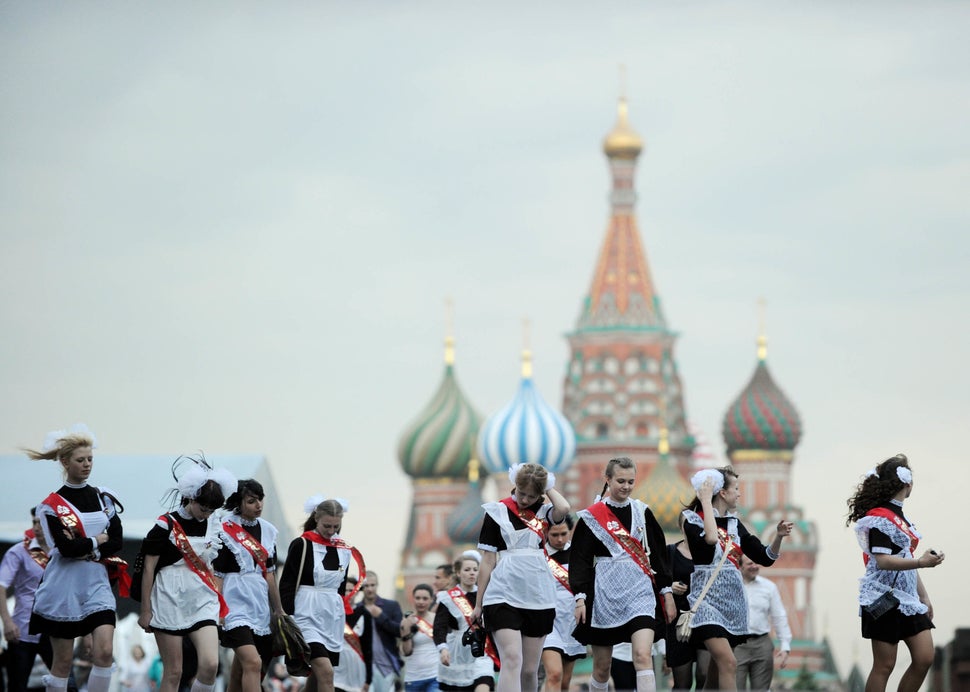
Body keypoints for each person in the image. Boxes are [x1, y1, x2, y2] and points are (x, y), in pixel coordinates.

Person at [25, 424, 123, 692]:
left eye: (90, 459)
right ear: (65, 462)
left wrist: (88, 546)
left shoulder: (103, 497)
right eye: (81, 460)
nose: (87, 465)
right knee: (63, 661)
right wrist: (96, 540)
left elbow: (117, 540)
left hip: (96, 580)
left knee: (104, 652)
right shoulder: (51, 505)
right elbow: (66, 549)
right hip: (64, 585)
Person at [681, 467, 793, 692]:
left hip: (732, 606)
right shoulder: (692, 519)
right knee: (730, 662)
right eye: (736, 489)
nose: (739, 494)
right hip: (706, 604)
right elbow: (711, 539)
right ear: (721, 492)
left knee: (714, 677)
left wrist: (778, 537)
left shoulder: (734, 524)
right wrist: (705, 500)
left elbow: (765, 557)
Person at [570, 457, 675, 692]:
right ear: (607, 479)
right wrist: (580, 598)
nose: (626, 487)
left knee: (642, 655)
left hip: (639, 592)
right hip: (605, 595)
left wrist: (666, 592)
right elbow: (581, 561)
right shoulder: (591, 517)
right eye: (620, 481)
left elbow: (658, 554)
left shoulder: (642, 511)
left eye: (630, 481)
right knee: (601, 666)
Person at [845, 454, 944, 692]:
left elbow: (904, 558)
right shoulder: (880, 518)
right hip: (881, 597)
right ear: (907, 483)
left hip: (907, 597)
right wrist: (921, 562)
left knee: (924, 657)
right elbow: (883, 561)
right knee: (884, 665)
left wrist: (923, 595)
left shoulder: (900, 517)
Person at [137, 456, 237, 692]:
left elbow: (212, 566)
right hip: (168, 597)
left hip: (202, 598)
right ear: (191, 497)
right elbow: (148, 568)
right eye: (203, 507)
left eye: (212, 509)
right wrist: (145, 610)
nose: (206, 513)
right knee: (174, 672)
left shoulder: (214, 524)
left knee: (211, 664)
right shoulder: (166, 525)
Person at [473, 463, 569, 692]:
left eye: (531, 495)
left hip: (538, 593)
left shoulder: (544, 512)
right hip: (503, 593)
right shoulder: (496, 511)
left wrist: (547, 487)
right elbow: (488, 560)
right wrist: (478, 603)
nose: (525, 499)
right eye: (521, 492)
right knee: (512, 659)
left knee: (529, 670)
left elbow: (564, 508)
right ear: (514, 485)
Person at [279, 497, 365, 692]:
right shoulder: (302, 544)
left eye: (336, 526)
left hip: (331, 617)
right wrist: (288, 617)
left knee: (318, 677)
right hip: (305, 613)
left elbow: (341, 587)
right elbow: (287, 584)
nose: (331, 531)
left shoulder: (343, 549)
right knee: (326, 672)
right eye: (327, 525)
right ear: (316, 518)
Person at [213, 479, 283, 692]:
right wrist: (219, 608)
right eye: (251, 501)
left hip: (259, 604)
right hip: (234, 603)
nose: (258, 505)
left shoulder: (269, 531)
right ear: (239, 502)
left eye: (260, 499)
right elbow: (218, 575)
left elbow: (270, 575)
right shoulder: (225, 529)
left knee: (239, 672)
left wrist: (279, 609)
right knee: (253, 663)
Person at [0, 509, 52, 692]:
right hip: (22, 630)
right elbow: (1, 585)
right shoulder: (20, 551)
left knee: (67, 684)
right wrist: (7, 622)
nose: (36, 527)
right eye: (34, 522)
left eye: (41, 523)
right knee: (17, 686)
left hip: (55, 629)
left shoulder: (62, 554)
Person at [433, 552, 493, 692]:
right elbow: (439, 627)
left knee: (484, 684)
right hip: (459, 652)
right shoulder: (448, 598)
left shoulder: (487, 594)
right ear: (458, 573)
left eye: (475, 570)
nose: (471, 573)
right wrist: (443, 649)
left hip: (482, 651)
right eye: (467, 570)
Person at [540, 517, 585, 692]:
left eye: (564, 534)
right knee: (554, 674)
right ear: (546, 533)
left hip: (571, 619)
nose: (560, 539)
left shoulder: (578, 553)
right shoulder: (539, 555)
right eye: (554, 535)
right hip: (547, 620)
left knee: (565, 683)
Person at [734, 556, 791, 691]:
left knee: (762, 690)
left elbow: (779, 616)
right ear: (740, 566)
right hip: (737, 645)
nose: (755, 566)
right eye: (750, 563)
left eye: (756, 562)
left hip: (762, 644)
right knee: (735, 687)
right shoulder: (731, 585)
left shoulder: (769, 587)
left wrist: (785, 645)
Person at [665, 515, 708, 692]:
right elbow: (656, 582)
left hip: (705, 619)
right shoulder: (670, 552)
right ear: (680, 526)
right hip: (679, 624)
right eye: (687, 524)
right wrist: (670, 587)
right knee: (682, 683)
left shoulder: (710, 553)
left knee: (704, 675)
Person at [353, 572, 402, 692]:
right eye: (366, 586)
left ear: (377, 585)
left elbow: (400, 631)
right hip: (363, 666)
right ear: (361, 588)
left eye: (373, 585)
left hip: (386, 666)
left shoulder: (391, 606)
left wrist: (381, 616)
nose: (370, 589)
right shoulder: (356, 609)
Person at [399, 584, 438, 692]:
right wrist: (406, 630)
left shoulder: (437, 619)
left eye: (425, 598)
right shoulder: (406, 621)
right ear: (413, 599)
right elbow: (406, 652)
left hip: (435, 676)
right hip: (414, 678)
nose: (421, 602)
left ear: (431, 600)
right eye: (418, 598)